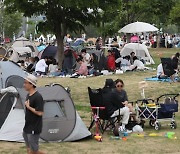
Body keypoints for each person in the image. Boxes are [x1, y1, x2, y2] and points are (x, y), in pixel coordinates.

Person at [23, 74, 44, 154]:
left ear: (32, 84)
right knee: (29, 149)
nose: (24, 85)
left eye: (26, 83)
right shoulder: (28, 95)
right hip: (27, 125)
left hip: (34, 127)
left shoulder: (38, 97)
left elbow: (40, 113)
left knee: (34, 151)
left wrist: (29, 107)